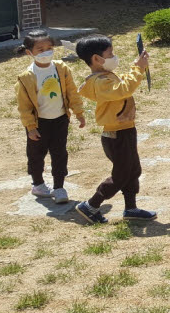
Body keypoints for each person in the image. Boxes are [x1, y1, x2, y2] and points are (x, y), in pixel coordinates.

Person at [74, 35, 156, 224]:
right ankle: (91, 205)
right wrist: (138, 68)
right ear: (96, 59)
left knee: (133, 169)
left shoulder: (106, 77)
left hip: (126, 130)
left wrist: (137, 67)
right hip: (116, 135)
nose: (114, 56)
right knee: (120, 174)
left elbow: (123, 86)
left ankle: (131, 208)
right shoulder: (99, 82)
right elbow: (124, 89)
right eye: (110, 53)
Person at [14, 29, 86, 204]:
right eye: (40, 49)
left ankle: (59, 187)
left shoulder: (61, 68)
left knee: (60, 153)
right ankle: (38, 184)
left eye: (49, 47)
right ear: (29, 52)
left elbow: (72, 92)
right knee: (36, 155)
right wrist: (30, 127)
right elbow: (24, 107)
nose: (46, 52)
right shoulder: (26, 77)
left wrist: (79, 112)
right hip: (39, 123)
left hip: (60, 119)